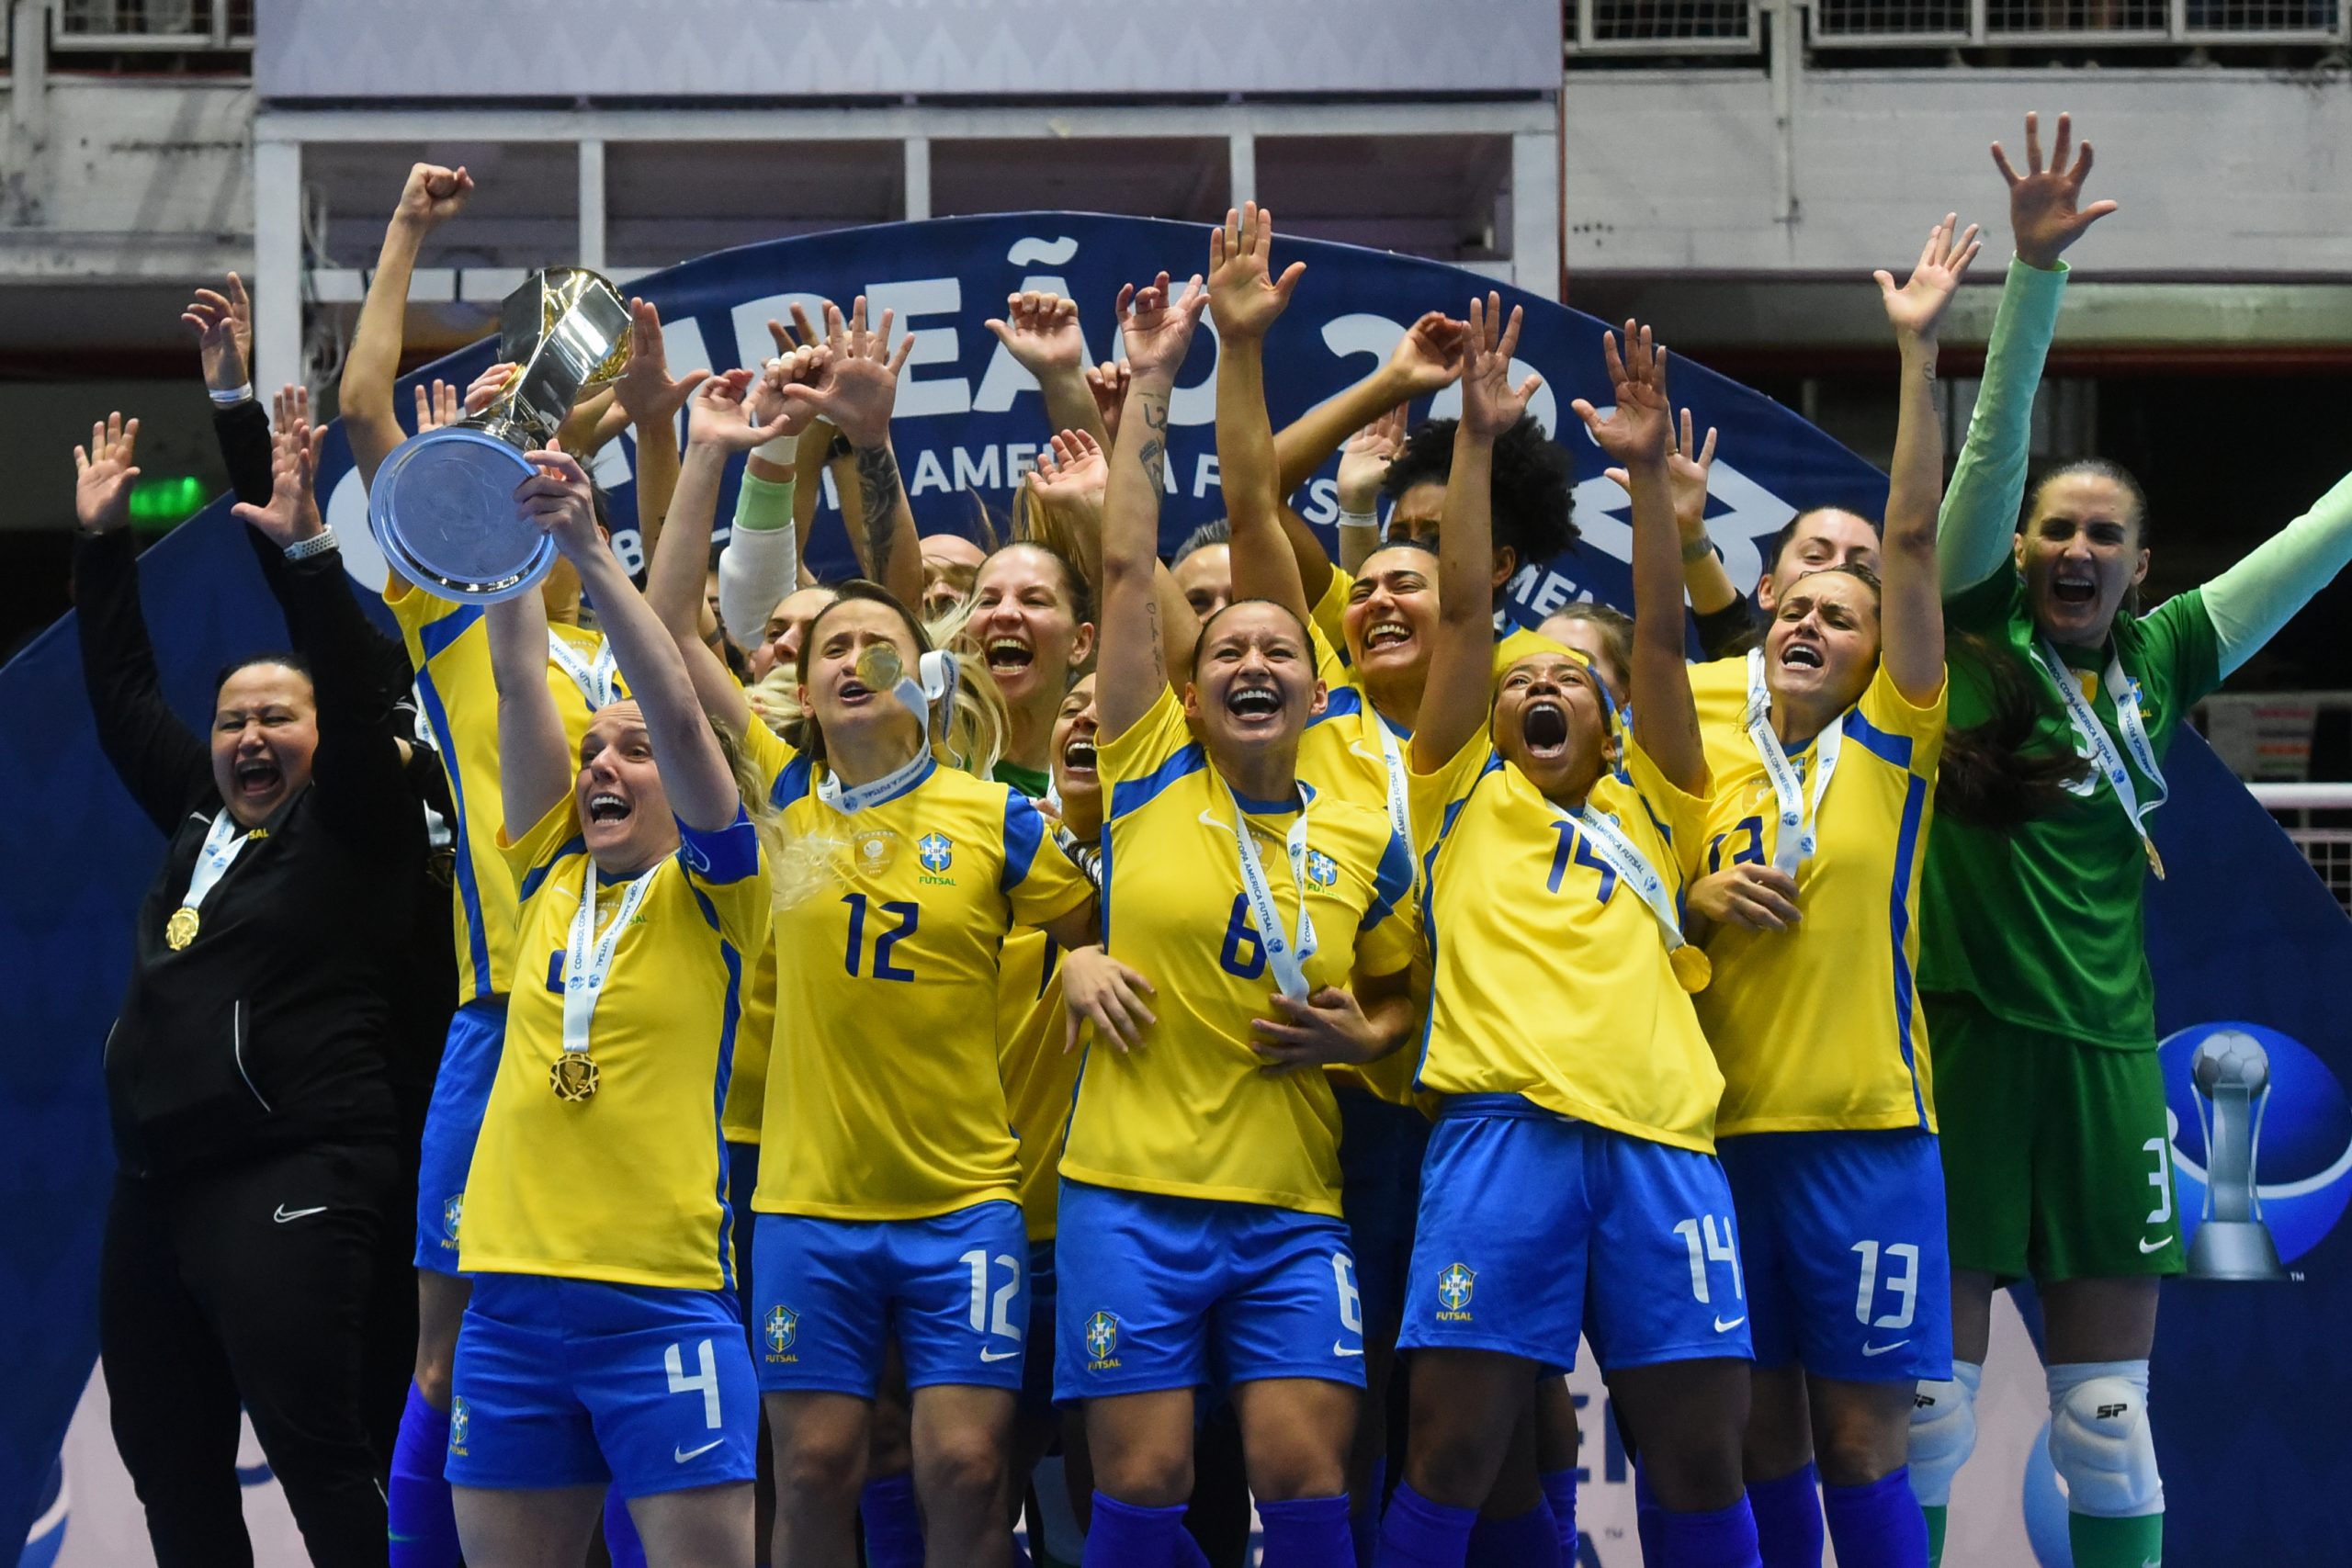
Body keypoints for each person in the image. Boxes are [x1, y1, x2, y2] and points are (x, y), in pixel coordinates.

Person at [1905, 112, 2352, 1568]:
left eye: (2106, 534)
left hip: (2106, 1064)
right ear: (2020, 552)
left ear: (2142, 564)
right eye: (2057, 532)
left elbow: (2321, 535)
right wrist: (2034, 281)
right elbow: (1989, 451)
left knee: (2108, 1416)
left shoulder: (2165, 658)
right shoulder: (1976, 630)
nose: (2079, 550)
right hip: (1969, 1044)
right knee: (1928, 1415)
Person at [1360, 302, 1758, 1568]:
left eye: (1568, 682)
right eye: (1524, 677)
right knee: (1453, 1455)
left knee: (1699, 1457)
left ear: (1615, 722)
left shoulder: (1663, 800)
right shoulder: (1457, 793)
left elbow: (1655, 635)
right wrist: (1475, 442)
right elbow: (1470, 611)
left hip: (1662, 1149)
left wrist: (1646, 480)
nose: (1541, 684)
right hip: (1500, 1139)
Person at [1051, 237, 1419, 1568]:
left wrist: (1364, 1039)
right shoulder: (1147, 768)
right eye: (1228, 652)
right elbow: (1130, 560)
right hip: (1129, 1197)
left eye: (1280, 648)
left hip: (1289, 1205)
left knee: (1304, 1469)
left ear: (1318, 692)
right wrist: (1152, 385)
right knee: (1143, 1481)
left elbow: (1403, 988)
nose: (1253, 661)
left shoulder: (1366, 823)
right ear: (1190, 691)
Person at [1682, 214, 1979, 1568]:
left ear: (1882, 655)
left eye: (1847, 611)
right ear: (1760, 605)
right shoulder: (1696, 724)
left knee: (1864, 1442)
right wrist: (1696, 902)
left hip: (1865, 1134)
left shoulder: (1894, 744)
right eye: (1799, 595)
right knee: (1758, 1442)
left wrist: (1919, 357)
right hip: (1719, 1132)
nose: (1818, 616)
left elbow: (1911, 536)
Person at [76, 410, 422, 1567]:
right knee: (170, 1473)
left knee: (322, 1456)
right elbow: (124, 691)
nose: (250, 737)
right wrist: (100, 543)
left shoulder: (357, 825)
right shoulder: (200, 819)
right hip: (156, 1187)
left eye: (279, 716)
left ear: (325, 733)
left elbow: (366, 704)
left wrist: (310, 557)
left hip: (297, 1172)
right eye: (233, 721)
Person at [446, 442, 769, 1567]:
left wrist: (589, 542)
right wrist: (505, 513)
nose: (603, 767)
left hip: (661, 1306)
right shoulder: (545, 875)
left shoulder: (721, 895)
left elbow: (684, 722)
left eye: (629, 755)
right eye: (594, 751)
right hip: (511, 1309)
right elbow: (520, 676)